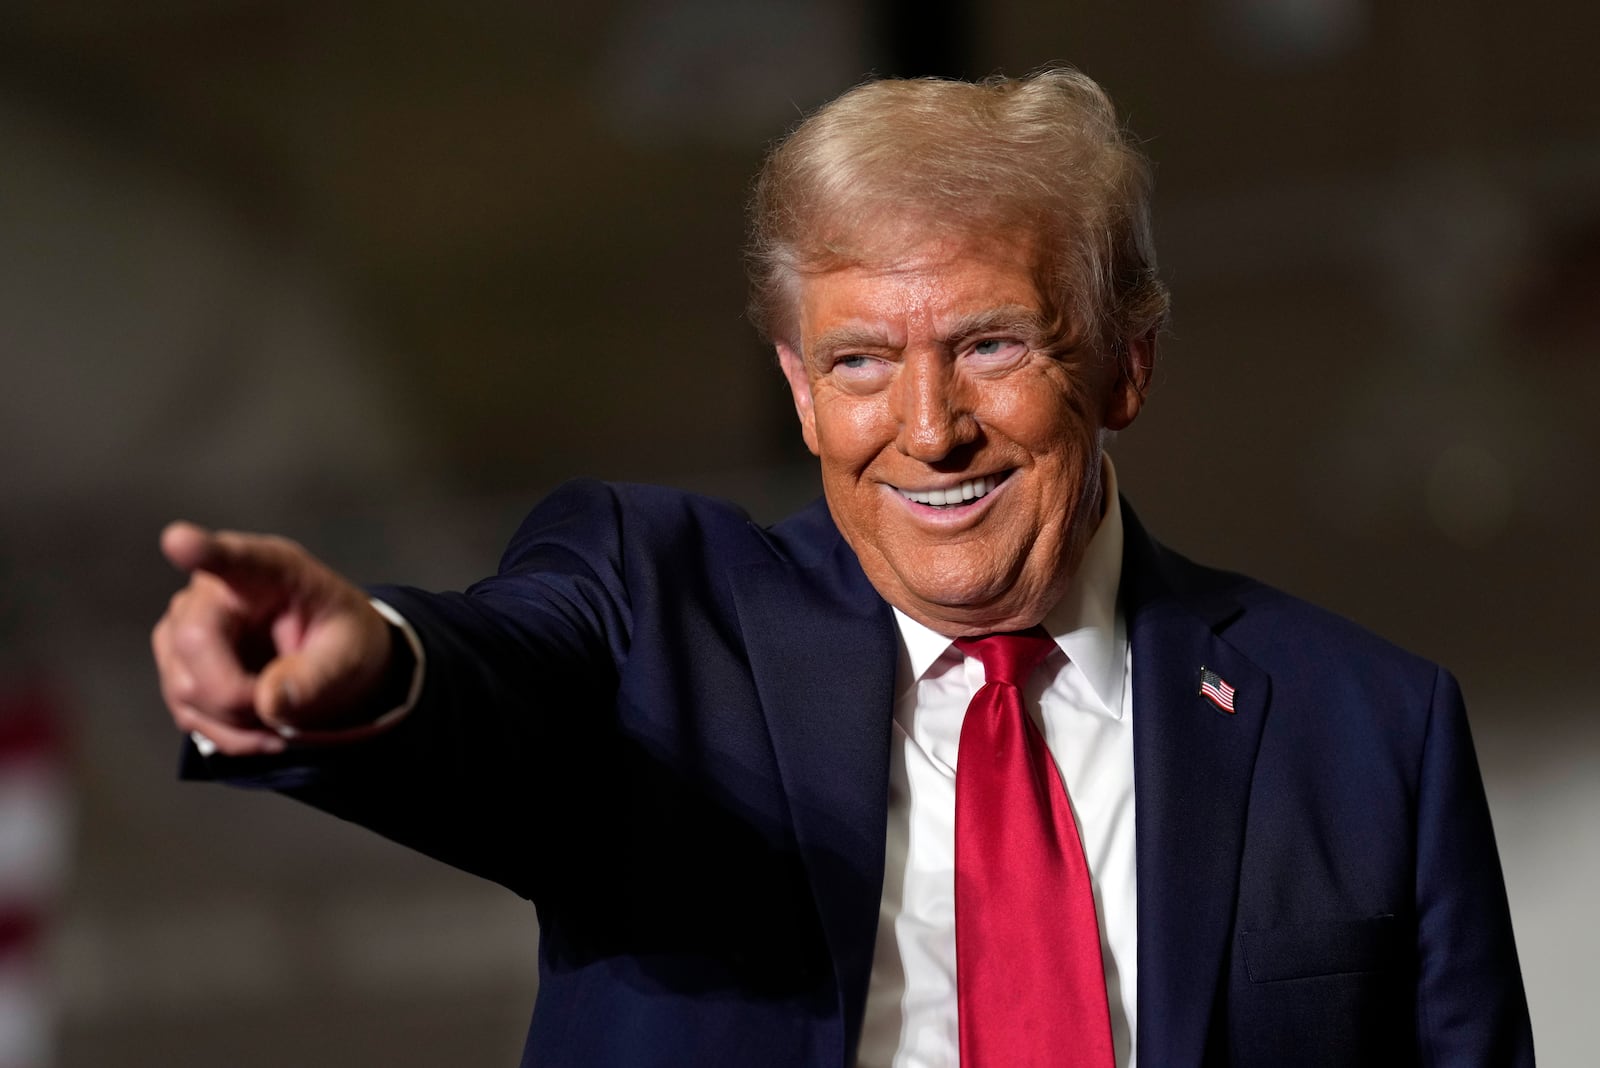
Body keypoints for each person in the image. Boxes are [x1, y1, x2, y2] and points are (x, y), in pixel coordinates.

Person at [151, 69, 1533, 1067]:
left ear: (1127, 364)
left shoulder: (1370, 728)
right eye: (862, 362)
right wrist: (369, 671)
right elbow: (495, 683)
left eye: (993, 343)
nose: (929, 432)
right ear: (801, 394)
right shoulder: (655, 612)